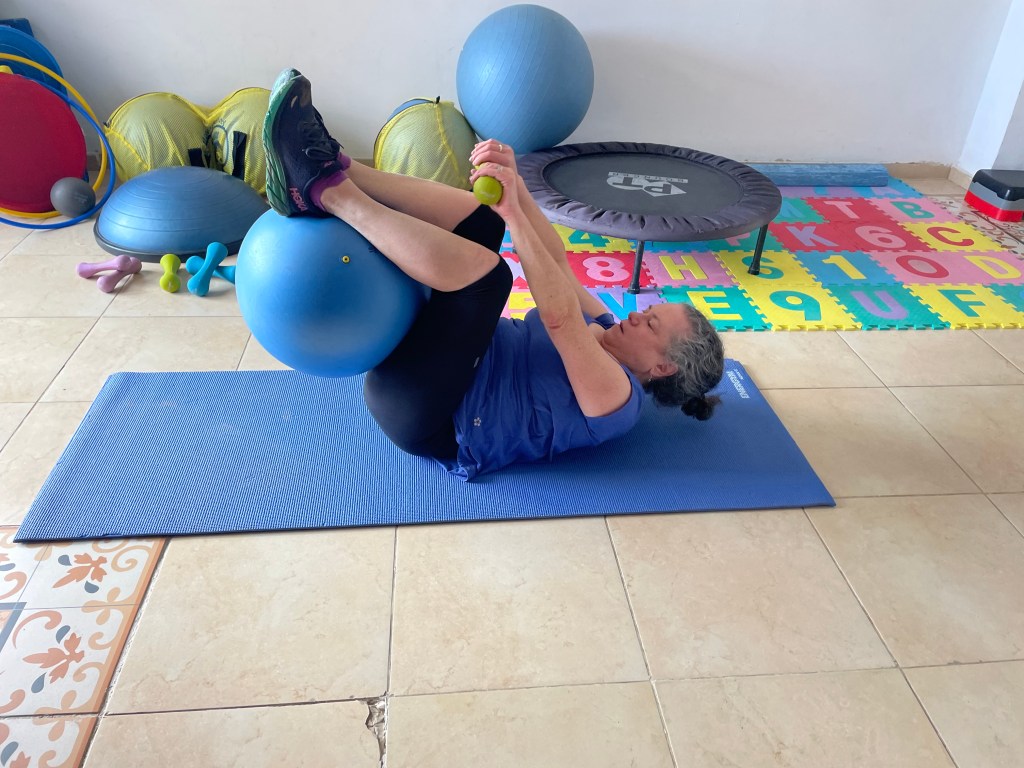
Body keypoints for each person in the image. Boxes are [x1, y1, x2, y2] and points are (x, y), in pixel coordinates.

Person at [262, 68, 724, 481]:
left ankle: (327, 192)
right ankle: (341, 168)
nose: (638, 315)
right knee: (486, 222)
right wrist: (515, 186)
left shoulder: (618, 399)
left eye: (652, 325)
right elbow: (557, 262)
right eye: (650, 311)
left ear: (663, 367)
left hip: (431, 414)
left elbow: (561, 319)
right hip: (443, 357)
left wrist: (516, 215)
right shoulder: (605, 327)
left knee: (490, 279)